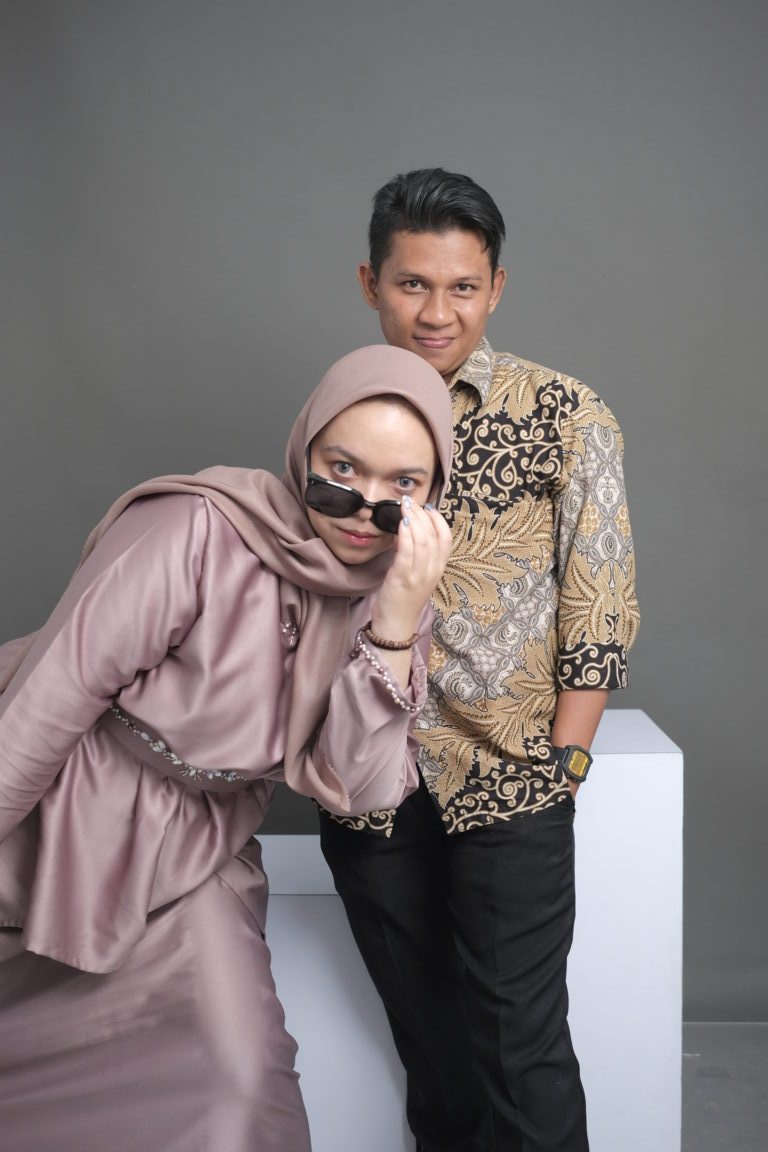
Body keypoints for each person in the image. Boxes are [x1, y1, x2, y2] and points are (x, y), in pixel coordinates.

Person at [0, 344, 454, 1152]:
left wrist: (392, 625)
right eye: (342, 469)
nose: (364, 509)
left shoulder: (394, 600)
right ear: (305, 449)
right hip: (58, 810)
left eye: (402, 486)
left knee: (239, 1078)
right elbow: (47, 702)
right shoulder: (196, 528)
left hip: (196, 851)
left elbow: (360, 785)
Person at [318, 169, 641, 1152]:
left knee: (521, 1053)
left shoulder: (565, 413)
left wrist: (564, 765)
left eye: (461, 287)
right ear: (370, 283)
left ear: (496, 288)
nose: (436, 311)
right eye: (412, 284)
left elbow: (600, 600)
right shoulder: (344, 419)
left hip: (509, 777)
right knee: (435, 1054)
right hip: (372, 781)